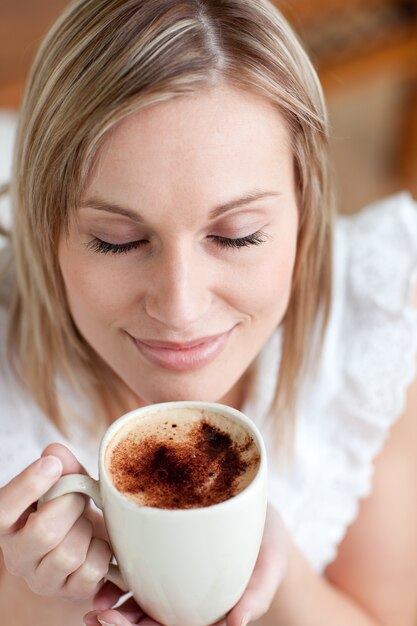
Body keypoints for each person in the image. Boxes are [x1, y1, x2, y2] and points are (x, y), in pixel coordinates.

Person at [0, 0, 416, 624]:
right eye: (117, 240)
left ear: (306, 215)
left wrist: (269, 580)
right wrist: (42, 594)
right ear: (42, 229)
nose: (180, 308)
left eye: (239, 235)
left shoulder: (373, 328)